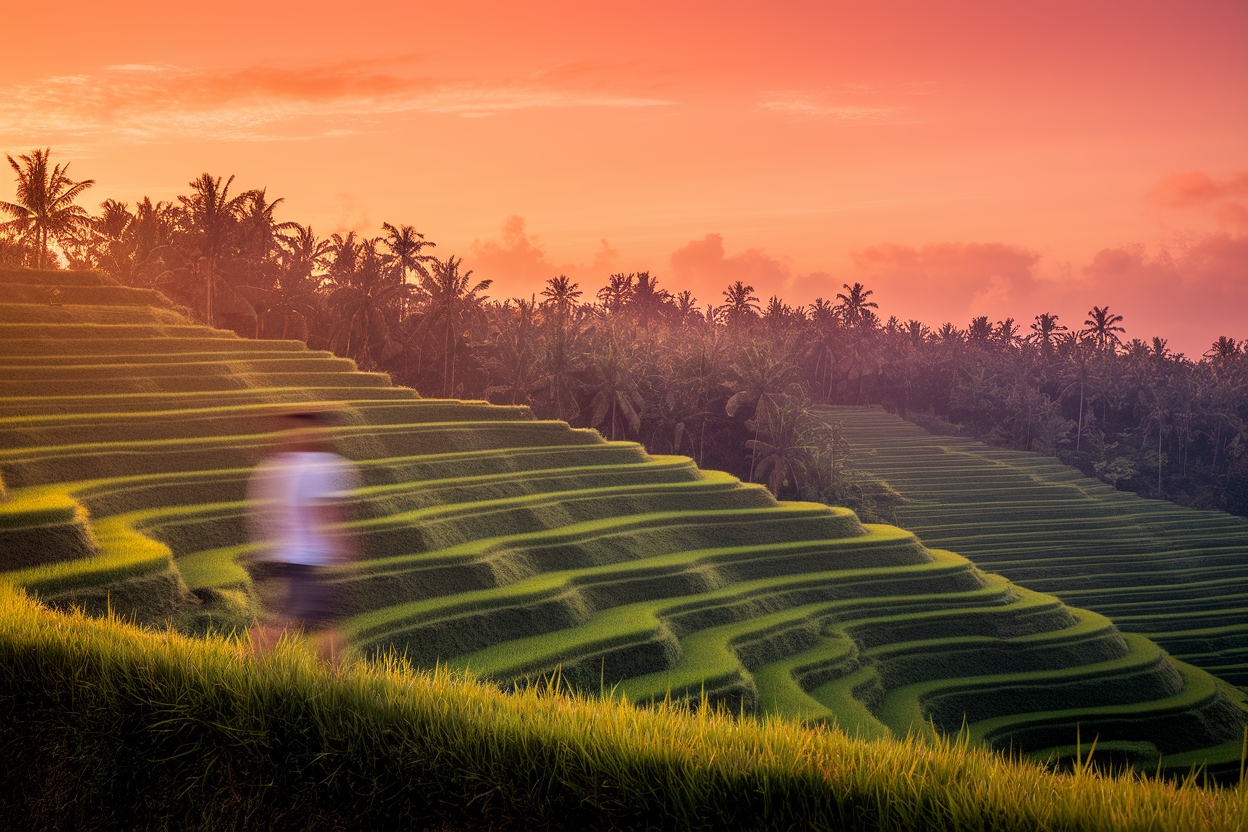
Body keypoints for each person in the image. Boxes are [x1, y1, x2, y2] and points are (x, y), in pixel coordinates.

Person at [246, 409, 360, 666]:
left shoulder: (277, 464)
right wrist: (347, 549)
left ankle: (334, 683)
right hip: (306, 560)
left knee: (315, 624)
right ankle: (246, 664)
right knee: (293, 626)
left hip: (289, 558)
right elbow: (326, 512)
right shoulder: (315, 465)